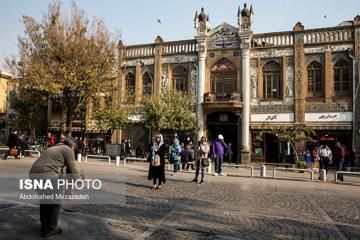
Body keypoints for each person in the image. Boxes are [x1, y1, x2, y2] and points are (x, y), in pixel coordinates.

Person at [29, 138, 80, 237]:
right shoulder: (67, 150)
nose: (73, 151)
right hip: (47, 175)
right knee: (55, 203)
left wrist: (67, 189)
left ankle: (45, 226)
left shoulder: (54, 148)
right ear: (71, 146)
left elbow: (63, 173)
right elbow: (72, 170)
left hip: (34, 174)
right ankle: (49, 229)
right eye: (74, 148)